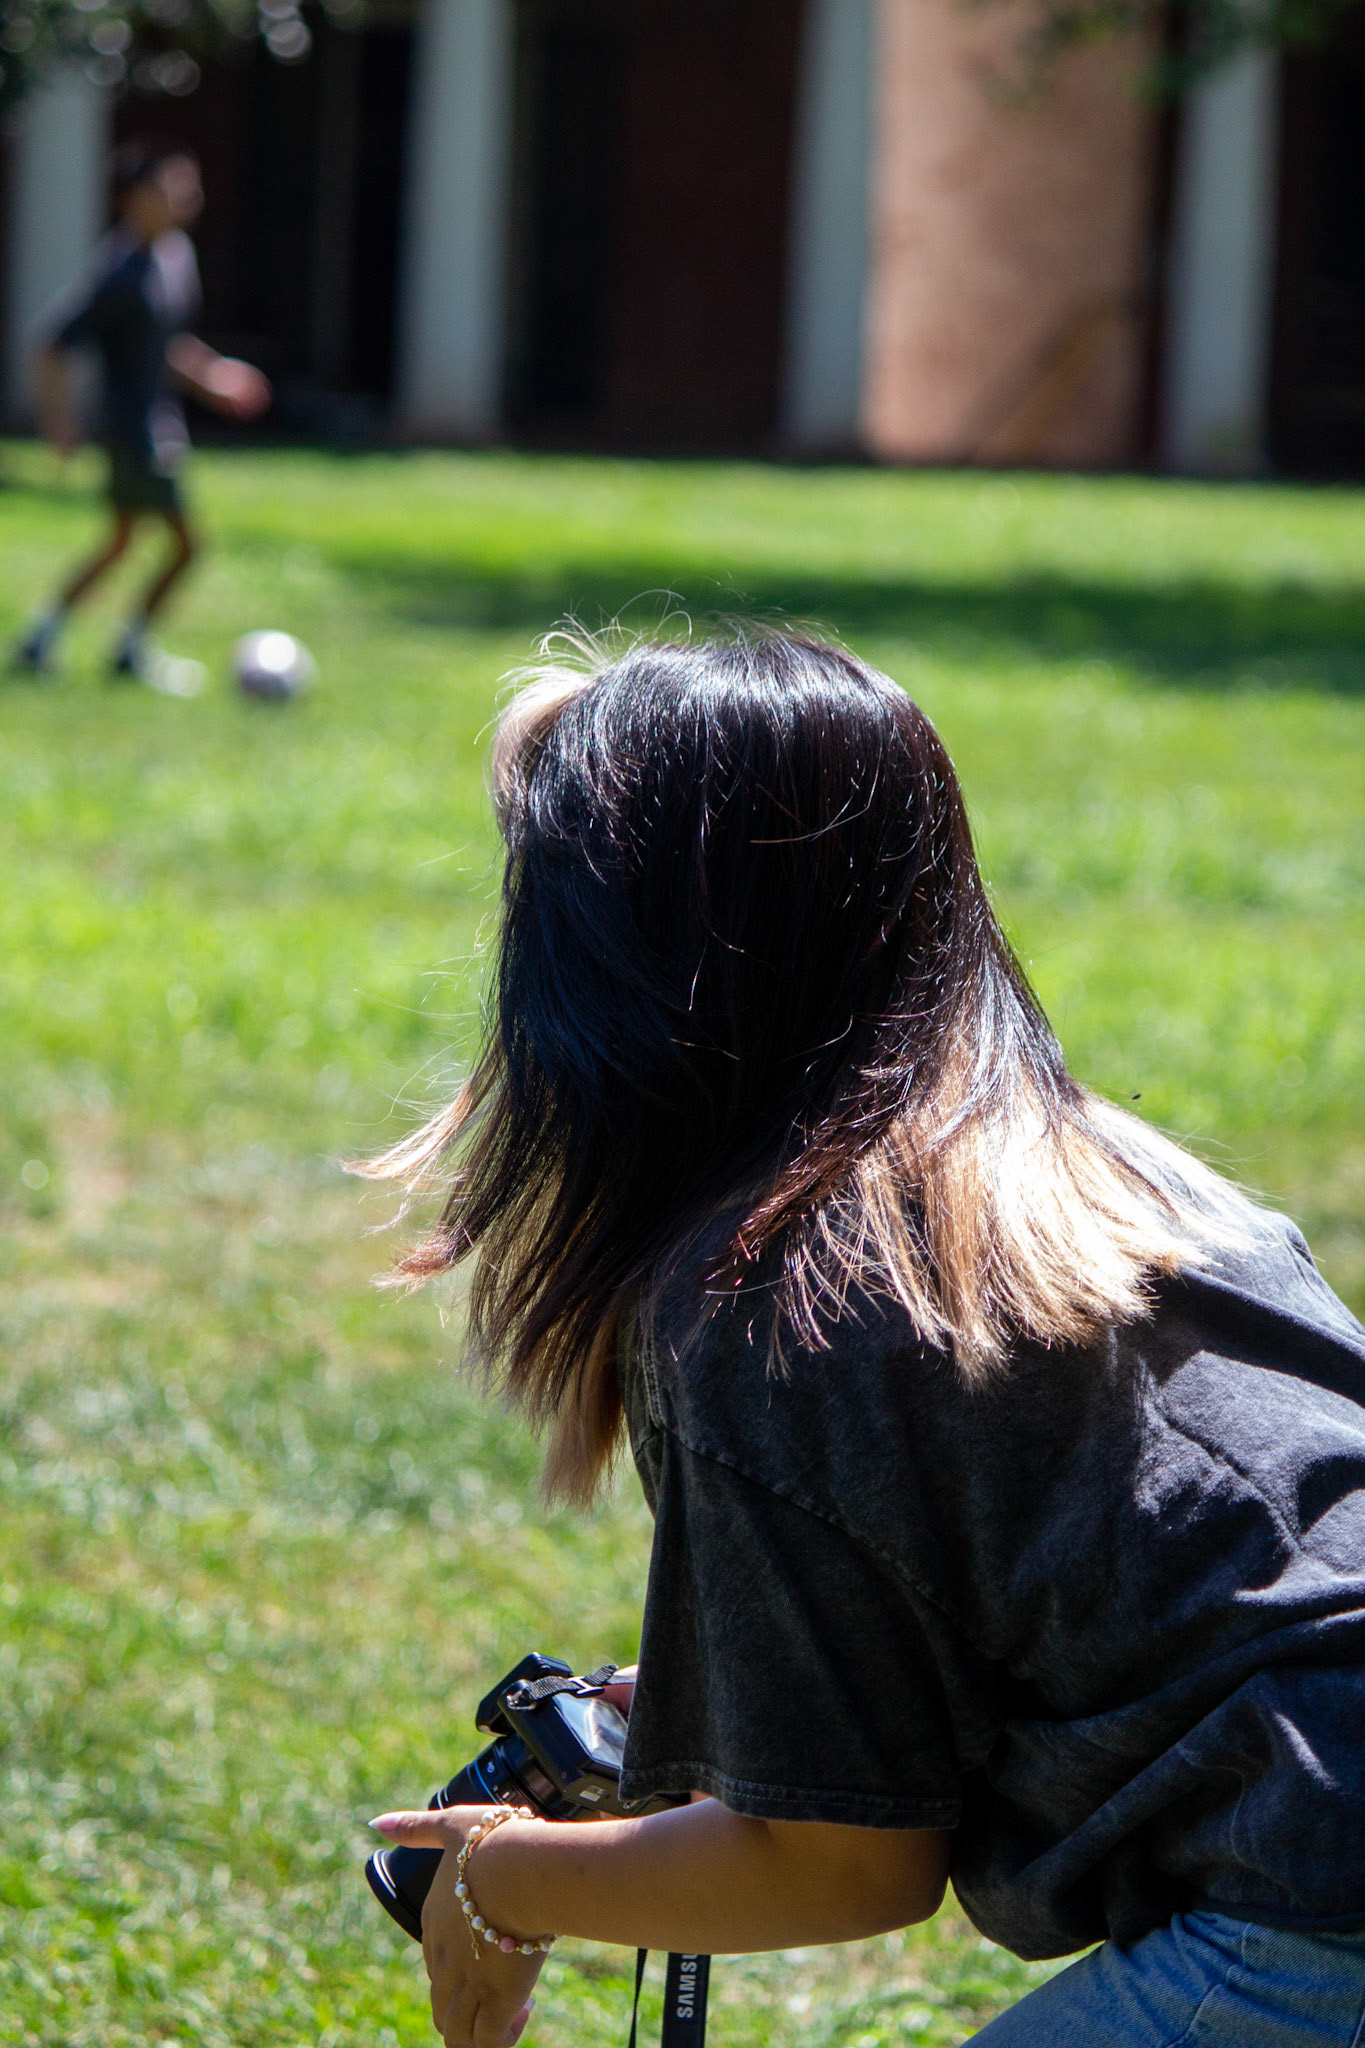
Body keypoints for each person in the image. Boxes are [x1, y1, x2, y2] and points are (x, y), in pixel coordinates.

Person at [365, 631, 1365, 2048]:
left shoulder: (782, 1288)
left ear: (615, 954)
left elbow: (843, 1868)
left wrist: (501, 1883)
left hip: (1323, 1879)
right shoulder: (1096, 1169)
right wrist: (772, 1698)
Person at [11, 142, 269, 691]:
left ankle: (44, 638)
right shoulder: (120, 272)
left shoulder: (174, 256)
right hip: (134, 431)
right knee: (187, 545)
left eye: (190, 186)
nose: (188, 197)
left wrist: (213, 377)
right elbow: (52, 345)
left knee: (121, 541)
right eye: (172, 187)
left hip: (159, 424)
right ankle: (127, 648)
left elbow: (165, 343)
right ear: (134, 198)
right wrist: (58, 423)